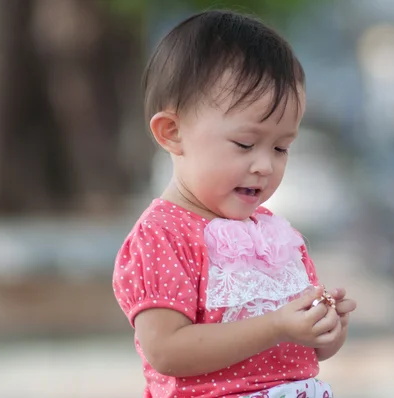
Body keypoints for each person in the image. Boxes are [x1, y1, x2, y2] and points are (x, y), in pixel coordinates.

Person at [112, 9, 357, 398]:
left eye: (281, 148)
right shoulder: (164, 235)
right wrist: (276, 325)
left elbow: (308, 353)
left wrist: (325, 328)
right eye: (245, 144)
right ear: (172, 133)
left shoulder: (276, 235)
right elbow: (166, 350)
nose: (264, 165)